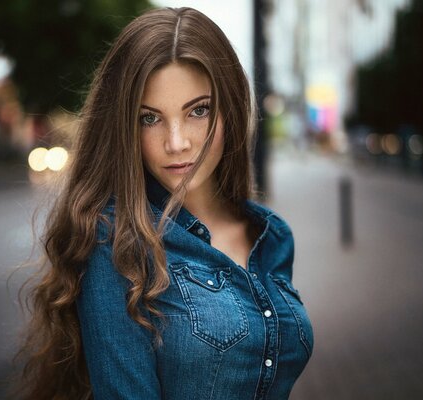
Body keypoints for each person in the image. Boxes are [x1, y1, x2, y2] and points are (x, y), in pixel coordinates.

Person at [16, 7, 313, 400]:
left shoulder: (272, 236)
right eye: (149, 118)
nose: (177, 142)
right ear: (124, 125)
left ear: (230, 108)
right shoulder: (115, 241)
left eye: (198, 111)